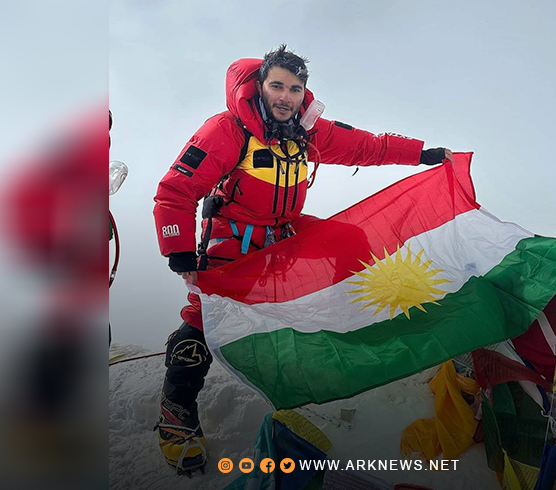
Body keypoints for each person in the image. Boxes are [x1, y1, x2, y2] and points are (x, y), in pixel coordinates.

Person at [152, 44, 452, 474]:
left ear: (304, 94)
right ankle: (176, 413)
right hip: (233, 237)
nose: (285, 97)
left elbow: (367, 147)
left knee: (352, 242)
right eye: (277, 85)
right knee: (205, 317)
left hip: (284, 231)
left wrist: (422, 153)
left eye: (295, 89)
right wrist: (178, 250)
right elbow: (174, 190)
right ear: (261, 85)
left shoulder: (308, 131)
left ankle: (351, 336)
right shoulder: (227, 129)